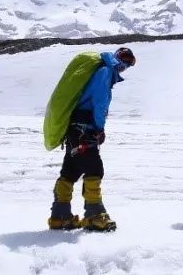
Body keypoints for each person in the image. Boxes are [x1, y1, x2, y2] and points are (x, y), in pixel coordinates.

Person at [48, 46, 135, 232]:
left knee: (70, 170)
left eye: (128, 63)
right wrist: (99, 128)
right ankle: (94, 215)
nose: (125, 65)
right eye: (124, 60)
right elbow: (100, 103)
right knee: (94, 168)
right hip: (85, 128)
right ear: (116, 58)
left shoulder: (100, 70)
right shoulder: (105, 72)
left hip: (74, 127)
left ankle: (59, 215)